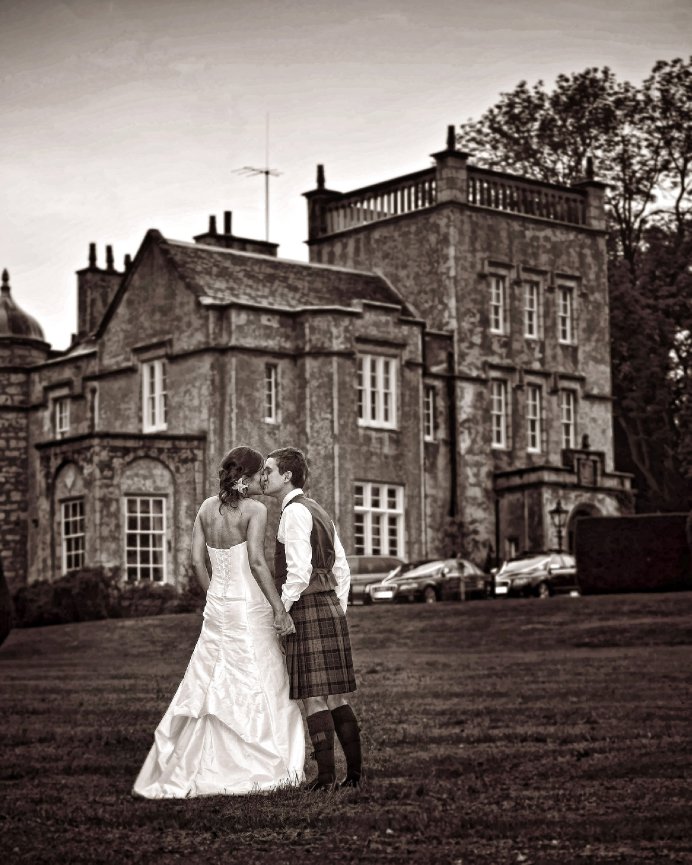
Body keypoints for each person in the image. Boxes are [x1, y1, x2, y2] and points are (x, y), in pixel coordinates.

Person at [133, 446, 305, 798]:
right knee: (258, 675)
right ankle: (262, 761)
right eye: (261, 473)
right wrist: (278, 608)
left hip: (217, 606)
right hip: (248, 606)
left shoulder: (206, 509)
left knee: (211, 677)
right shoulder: (255, 510)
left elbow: (197, 561)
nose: (263, 479)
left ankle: (196, 762)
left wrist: (213, 594)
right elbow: (256, 562)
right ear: (248, 477)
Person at [262, 447, 363, 790]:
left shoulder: (292, 513)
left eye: (269, 470)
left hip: (306, 606)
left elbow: (298, 572)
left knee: (313, 697)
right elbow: (342, 569)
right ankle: (354, 776)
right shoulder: (318, 510)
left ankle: (326, 778)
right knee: (335, 696)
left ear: (287, 476)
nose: (264, 476)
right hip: (329, 605)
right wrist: (338, 606)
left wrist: (282, 611)